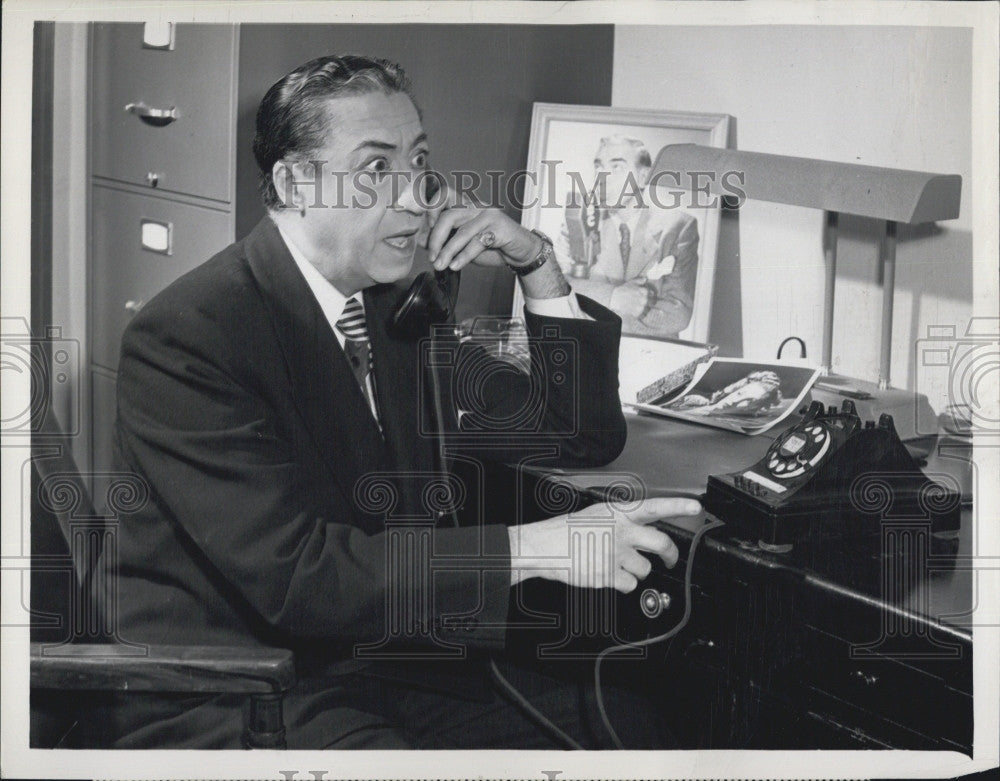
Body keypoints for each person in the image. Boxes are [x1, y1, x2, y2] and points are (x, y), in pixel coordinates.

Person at [102, 55, 701, 749]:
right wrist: (537, 549)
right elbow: (301, 578)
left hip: (381, 661)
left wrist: (536, 261)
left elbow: (576, 435)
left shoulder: (392, 312)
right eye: (376, 171)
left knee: (625, 727)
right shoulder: (190, 337)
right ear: (297, 182)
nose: (414, 197)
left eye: (417, 163)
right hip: (243, 690)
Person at [555, 135, 700, 338]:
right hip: (590, 353)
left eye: (617, 168)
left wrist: (592, 314)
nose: (602, 177)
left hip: (650, 358)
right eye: (598, 167)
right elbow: (553, 287)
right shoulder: (578, 220)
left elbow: (677, 314)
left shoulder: (678, 226)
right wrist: (614, 297)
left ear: (642, 177)